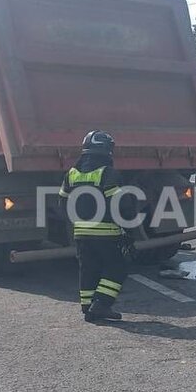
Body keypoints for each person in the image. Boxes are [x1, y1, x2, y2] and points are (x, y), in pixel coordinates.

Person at [59, 130, 127, 323]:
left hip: (81, 233)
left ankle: (88, 309)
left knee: (88, 269)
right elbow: (119, 205)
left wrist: (74, 223)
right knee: (117, 268)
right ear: (107, 150)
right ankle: (102, 304)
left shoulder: (71, 174)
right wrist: (126, 228)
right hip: (107, 233)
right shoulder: (108, 173)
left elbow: (62, 203)